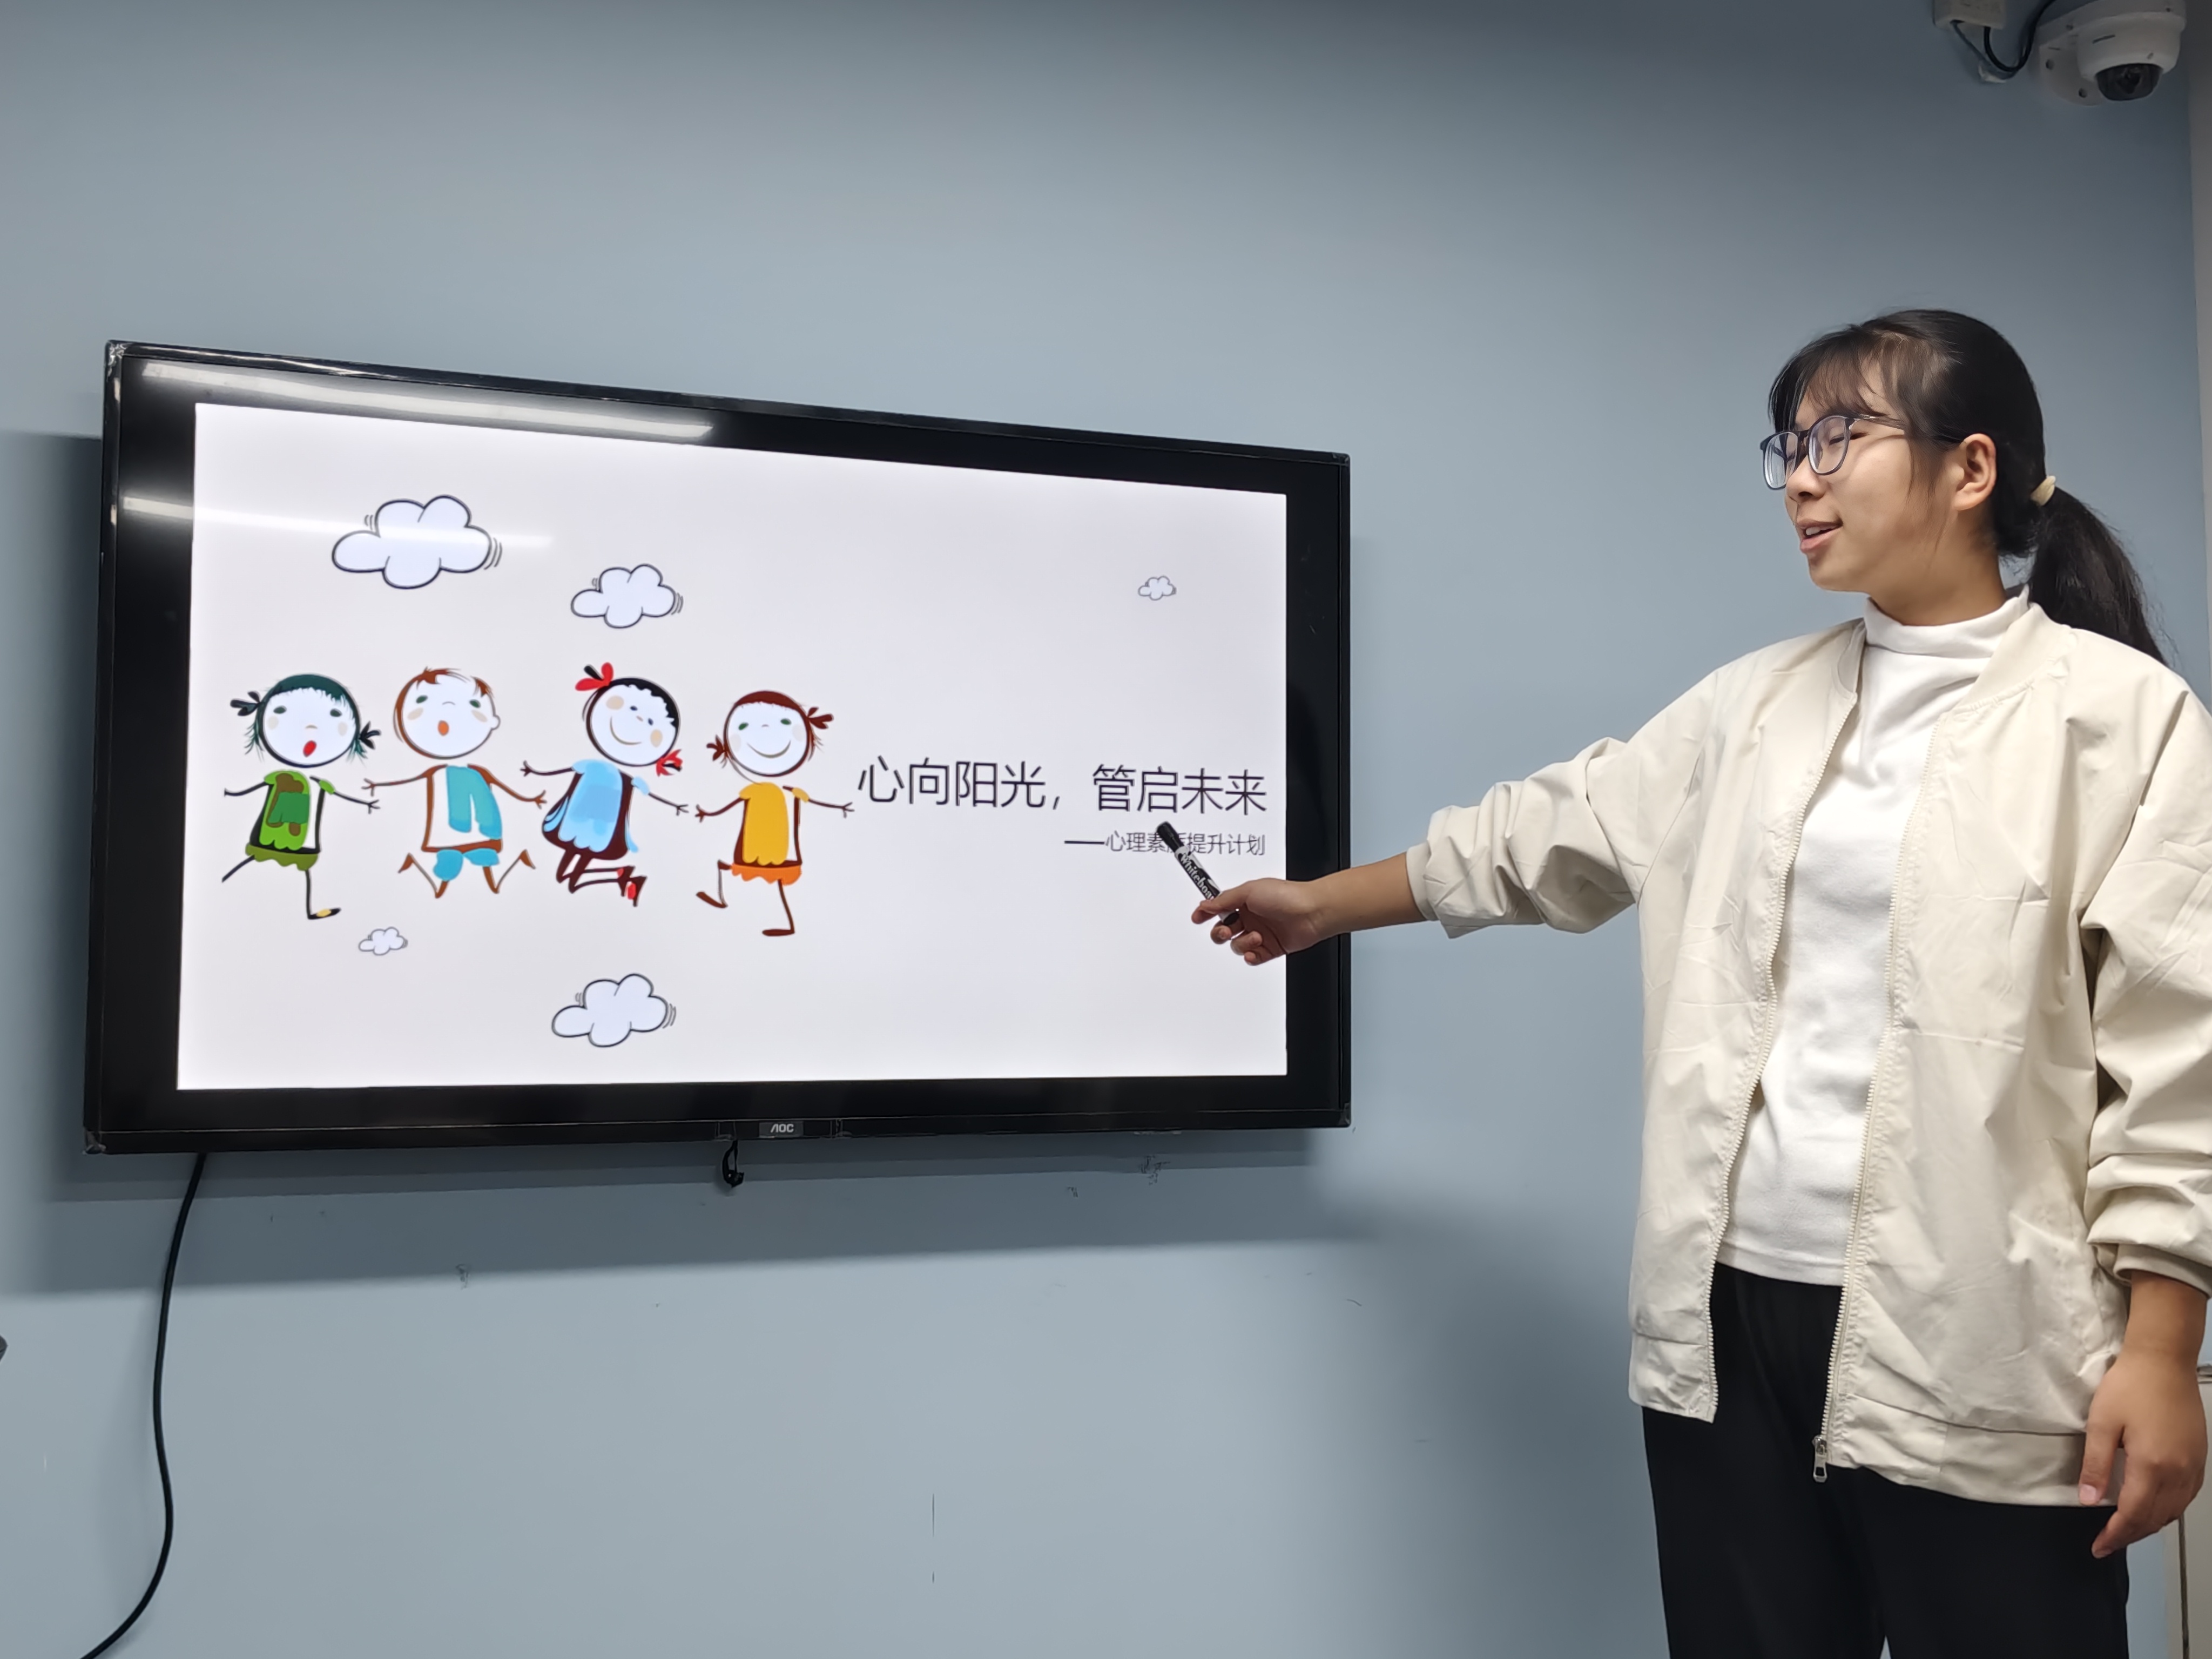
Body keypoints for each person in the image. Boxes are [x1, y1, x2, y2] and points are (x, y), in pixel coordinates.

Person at [1195, 311, 2212, 1657]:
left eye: (1839, 437)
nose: (1800, 478)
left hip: (1982, 1332)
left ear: (1971, 468)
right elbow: (1546, 831)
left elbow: (2177, 1060)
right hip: (1727, 1320)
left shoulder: (2123, 721)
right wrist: (1321, 904)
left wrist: (2162, 1350)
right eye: (1788, 447)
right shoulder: (1750, 707)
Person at [367, 667, 543, 896]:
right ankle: (443, 881)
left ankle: (488, 876)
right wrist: (379, 785)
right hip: (446, 833)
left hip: (481, 831)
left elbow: (502, 787)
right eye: (422, 702)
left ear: (493, 721)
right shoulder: (437, 773)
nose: (447, 709)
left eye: (473, 705)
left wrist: (529, 799)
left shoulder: (478, 772)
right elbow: (409, 780)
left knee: (486, 862)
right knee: (449, 866)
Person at [220, 673, 380, 920]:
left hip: (303, 842)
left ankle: (309, 911)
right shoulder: (282, 777)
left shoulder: (318, 783)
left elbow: (338, 794)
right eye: (283, 712)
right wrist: (233, 794)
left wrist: (365, 802)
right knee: (254, 860)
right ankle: (221, 890)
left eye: (334, 716)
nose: (311, 728)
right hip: (271, 835)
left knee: (302, 871)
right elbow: (259, 786)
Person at [527, 663, 687, 905]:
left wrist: (674, 805)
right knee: (563, 878)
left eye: (650, 722)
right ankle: (621, 875)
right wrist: (536, 772)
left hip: (600, 829)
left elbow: (649, 793)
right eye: (632, 709)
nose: (637, 719)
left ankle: (621, 875)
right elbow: (562, 771)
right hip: (575, 823)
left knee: (569, 881)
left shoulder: (628, 780)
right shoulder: (593, 767)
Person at [693, 691, 851, 935]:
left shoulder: (786, 790)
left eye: (785, 723)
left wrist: (839, 807)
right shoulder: (755, 789)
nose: (766, 731)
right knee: (737, 868)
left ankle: (787, 924)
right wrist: (710, 813)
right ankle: (723, 898)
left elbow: (811, 801)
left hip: (777, 849)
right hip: (754, 847)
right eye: (744, 727)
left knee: (773, 880)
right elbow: (731, 805)